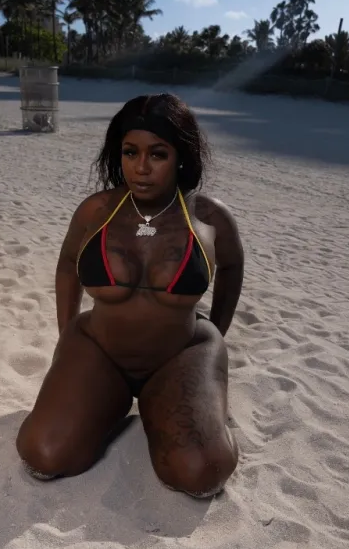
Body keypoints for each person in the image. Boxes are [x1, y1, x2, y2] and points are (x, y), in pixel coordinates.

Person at [16, 92, 244, 498]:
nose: (141, 167)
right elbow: (68, 262)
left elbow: (232, 267)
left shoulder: (208, 217)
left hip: (178, 356)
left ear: (181, 156)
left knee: (201, 473)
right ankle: (116, 402)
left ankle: (201, 405)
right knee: (44, 454)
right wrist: (67, 336)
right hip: (100, 351)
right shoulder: (96, 211)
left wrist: (216, 333)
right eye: (130, 152)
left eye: (158, 154)